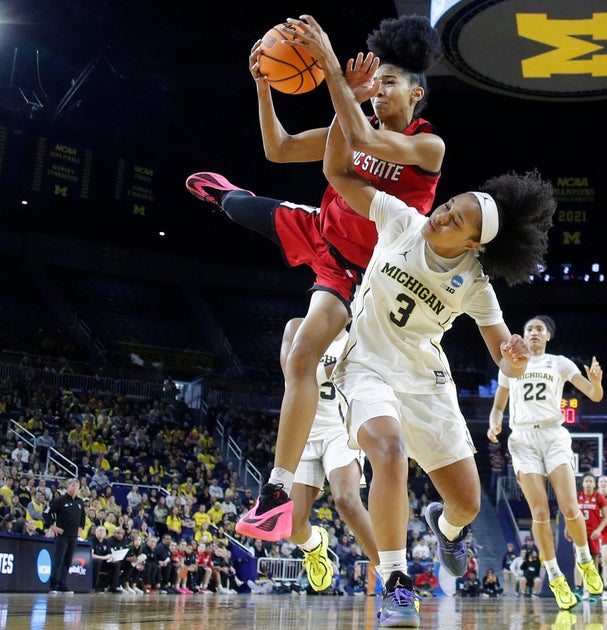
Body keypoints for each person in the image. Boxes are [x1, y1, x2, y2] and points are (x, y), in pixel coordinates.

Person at [302, 13, 556, 627]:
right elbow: (338, 172)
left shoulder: (476, 282)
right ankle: (394, 582)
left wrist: (514, 358)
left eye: (457, 218)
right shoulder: (401, 220)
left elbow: (500, 345)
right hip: (365, 365)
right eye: (449, 204)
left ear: (476, 244)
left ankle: (447, 530)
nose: (441, 214)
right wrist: (346, 97)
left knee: (465, 503)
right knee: (385, 452)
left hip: (426, 380)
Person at [184, 14, 445, 544]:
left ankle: (286, 494)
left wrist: (331, 70)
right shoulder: (351, 123)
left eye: (387, 83)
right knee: (242, 210)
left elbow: (359, 137)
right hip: (324, 235)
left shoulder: (427, 148)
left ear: (416, 93)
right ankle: (278, 491)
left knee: (304, 350)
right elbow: (277, 148)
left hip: (368, 275)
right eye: (373, 86)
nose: (377, 92)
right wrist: (265, 86)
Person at [486, 315, 606, 610]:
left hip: (553, 436)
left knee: (569, 507)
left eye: (539, 329)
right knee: (539, 511)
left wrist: (596, 383)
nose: (533, 333)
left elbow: (594, 395)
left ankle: (584, 560)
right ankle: (554, 577)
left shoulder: (560, 363)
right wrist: (494, 423)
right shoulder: (511, 363)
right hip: (523, 440)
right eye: (529, 329)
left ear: (548, 336)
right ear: (523, 336)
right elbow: (498, 405)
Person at [278, 317, 379, 593]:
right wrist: (335, 366)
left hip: (340, 428)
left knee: (347, 500)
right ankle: (314, 545)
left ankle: (395, 579)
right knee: (293, 524)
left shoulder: (360, 335)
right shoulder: (297, 327)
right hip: (304, 431)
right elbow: (293, 375)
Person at [44, 478, 86, 594]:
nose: (74, 488)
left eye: (77, 486)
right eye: (72, 486)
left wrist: (81, 528)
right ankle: (53, 585)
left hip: (73, 536)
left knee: (68, 561)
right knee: (58, 560)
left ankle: (62, 584)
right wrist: (52, 526)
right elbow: (46, 513)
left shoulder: (80, 502)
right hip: (62, 535)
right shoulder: (60, 500)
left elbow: (82, 517)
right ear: (67, 487)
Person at [573, 473, 607, 598]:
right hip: (579, 533)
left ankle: (593, 590)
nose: (588, 483)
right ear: (583, 483)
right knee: (578, 560)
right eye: (586, 481)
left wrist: (599, 530)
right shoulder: (577, 497)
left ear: (594, 484)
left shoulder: (599, 497)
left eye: (591, 481)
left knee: (594, 562)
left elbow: (606, 517)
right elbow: (570, 514)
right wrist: (568, 528)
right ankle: (578, 588)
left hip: (593, 533)